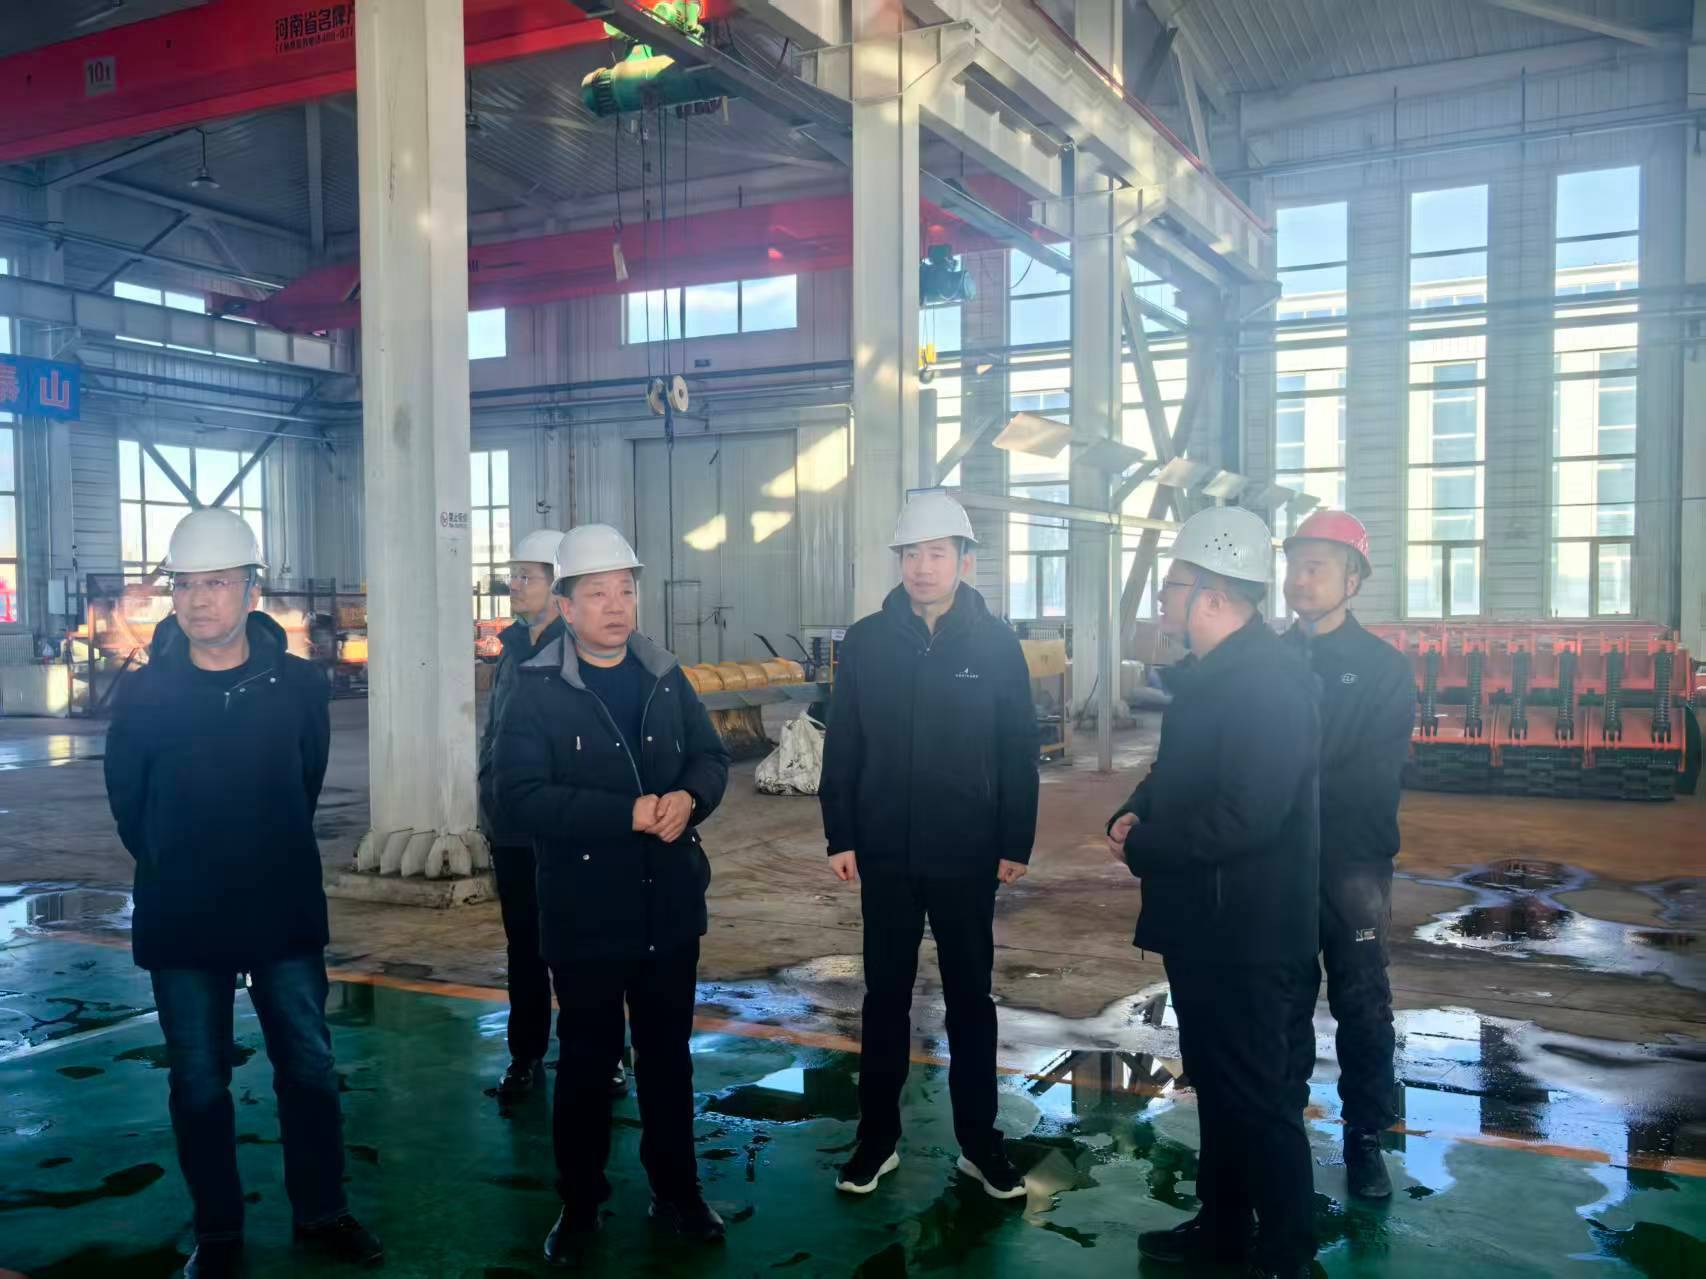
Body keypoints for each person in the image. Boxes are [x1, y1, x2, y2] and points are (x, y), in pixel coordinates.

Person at [103, 508, 382, 1279]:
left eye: (217, 583)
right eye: (186, 585)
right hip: (183, 916)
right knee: (198, 1080)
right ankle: (219, 1233)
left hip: (280, 909)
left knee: (309, 1067)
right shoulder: (146, 695)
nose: (198, 600)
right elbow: (129, 805)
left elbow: (304, 780)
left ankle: (322, 1211)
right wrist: (178, 858)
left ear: (251, 590)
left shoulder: (297, 686)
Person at [495, 523, 730, 1265]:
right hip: (585, 910)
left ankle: (677, 1191)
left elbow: (710, 756)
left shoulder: (664, 674)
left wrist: (690, 798)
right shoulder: (536, 689)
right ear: (566, 607)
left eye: (624, 590)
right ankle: (580, 1202)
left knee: (667, 1058)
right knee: (587, 1062)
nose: (615, 605)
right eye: (596, 593)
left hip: (668, 906)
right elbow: (518, 797)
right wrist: (623, 813)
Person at [1104, 506, 1320, 1279]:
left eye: (1174, 585)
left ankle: (1288, 1255)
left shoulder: (1270, 683)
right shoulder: (1211, 675)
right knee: (1221, 1088)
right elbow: (1180, 773)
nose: (1164, 599)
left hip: (1250, 933)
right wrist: (1137, 805)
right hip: (1207, 925)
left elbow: (1247, 815)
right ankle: (1223, 1228)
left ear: (1214, 594)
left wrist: (1146, 845)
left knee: (1259, 1098)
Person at [819, 491, 1040, 1200]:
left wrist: (1015, 837)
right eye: (911, 554)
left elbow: (1018, 748)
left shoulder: (996, 644)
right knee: (884, 996)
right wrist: (841, 832)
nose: (922, 567)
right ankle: (875, 1140)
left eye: (936, 554)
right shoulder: (866, 642)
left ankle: (980, 1142)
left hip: (967, 851)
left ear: (964, 561)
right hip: (885, 850)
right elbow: (844, 742)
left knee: (971, 998)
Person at [1282, 510, 1417, 1201]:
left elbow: (1368, 776)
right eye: (1294, 564)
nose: (1299, 579)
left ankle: (1366, 1137)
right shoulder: (1268, 659)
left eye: (1317, 567)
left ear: (1353, 579)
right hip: (1278, 863)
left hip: (1353, 864)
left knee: (1362, 1002)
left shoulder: (1384, 669)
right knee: (1281, 998)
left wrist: (1281, 785)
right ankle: (1281, 1130)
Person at [477, 528, 567, 1100]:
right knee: (524, 948)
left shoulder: (578, 649)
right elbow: (496, 732)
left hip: (566, 827)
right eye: (513, 575)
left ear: (559, 586)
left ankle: (604, 1054)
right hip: (511, 827)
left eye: (525, 575)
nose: (513, 584)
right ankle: (525, 1054)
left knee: (581, 947)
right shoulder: (512, 649)